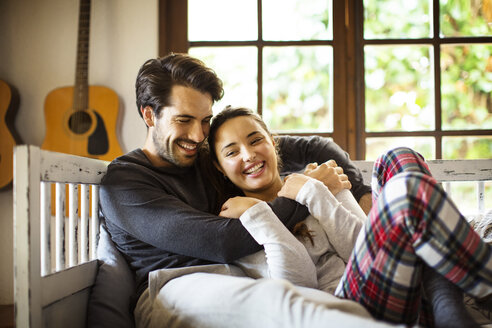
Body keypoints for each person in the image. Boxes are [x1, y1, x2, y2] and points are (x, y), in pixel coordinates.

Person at [99, 53, 388, 327]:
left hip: (248, 273)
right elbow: (220, 241)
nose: (198, 135)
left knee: (319, 302)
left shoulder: (213, 156)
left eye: (205, 121)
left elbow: (314, 147)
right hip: (174, 287)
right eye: (184, 120)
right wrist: (307, 193)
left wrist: (361, 191)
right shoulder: (125, 181)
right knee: (283, 304)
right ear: (149, 116)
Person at [207, 106, 492, 328]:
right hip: (351, 304)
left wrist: (315, 192)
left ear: (272, 143)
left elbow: (361, 242)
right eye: (232, 152)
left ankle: (446, 308)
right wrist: (262, 215)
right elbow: (297, 287)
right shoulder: (239, 217)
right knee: (406, 190)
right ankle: (474, 289)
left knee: (397, 158)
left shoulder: (312, 182)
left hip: (393, 283)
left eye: (256, 140)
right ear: (220, 168)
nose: (248, 154)